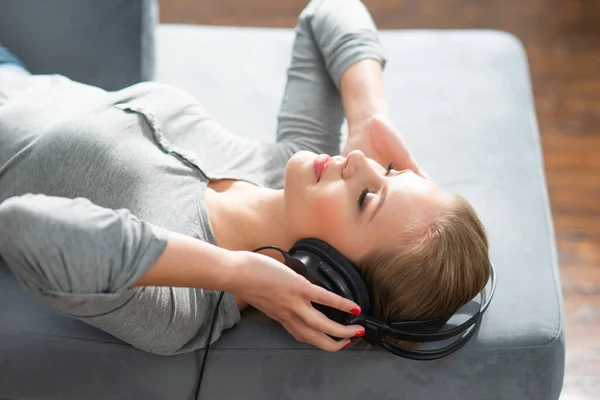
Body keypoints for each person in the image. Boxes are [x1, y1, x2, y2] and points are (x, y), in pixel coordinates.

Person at [0, 0, 491, 355]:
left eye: (366, 198)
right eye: (387, 172)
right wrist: (367, 111)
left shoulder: (182, 307)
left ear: (329, 276)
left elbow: (23, 228)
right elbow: (328, 12)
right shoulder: (290, 167)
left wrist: (231, 271)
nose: (359, 162)